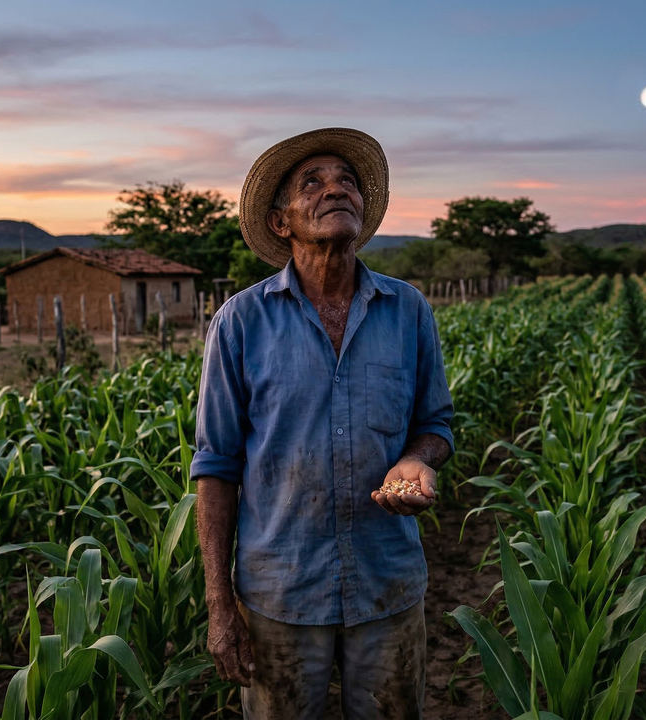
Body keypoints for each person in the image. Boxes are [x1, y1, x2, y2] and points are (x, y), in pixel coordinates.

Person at [191, 127, 455, 720]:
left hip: (386, 585)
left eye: (348, 182)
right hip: (280, 594)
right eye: (313, 182)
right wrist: (219, 605)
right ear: (281, 222)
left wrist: (418, 460)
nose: (337, 189)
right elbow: (216, 467)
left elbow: (435, 424)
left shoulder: (408, 310)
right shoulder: (240, 323)